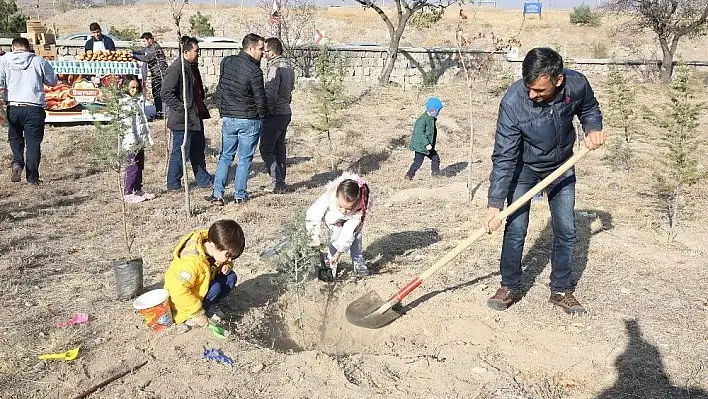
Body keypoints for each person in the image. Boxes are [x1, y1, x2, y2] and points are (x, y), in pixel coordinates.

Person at [484, 48, 607, 315]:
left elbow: (589, 109)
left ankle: (561, 289)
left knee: (566, 229)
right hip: (523, 169)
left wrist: (593, 127)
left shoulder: (577, 84)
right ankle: (509, 285)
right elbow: (504, 156)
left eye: (539, 90)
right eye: (529, 88)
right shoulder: (513, 103)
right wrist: (495, 203)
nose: (532, 95)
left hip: (562, 165)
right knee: (515, 227)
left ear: (558, 80)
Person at [207, 33, 267, 206]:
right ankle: (239, 195)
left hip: (229, 118)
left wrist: (222, 111)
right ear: (250, 48)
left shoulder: (227, 62)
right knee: (244, 159)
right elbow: (260, 99)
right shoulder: (255, 71)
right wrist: (263, 118)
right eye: (260, 49)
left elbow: (221, 89)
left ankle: (217, 194)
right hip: (249, 119)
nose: (263, 53)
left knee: (225, 156)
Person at [164, 219, 245, 326]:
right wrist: (198, 313)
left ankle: (211, 304)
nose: (230, 260)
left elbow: (222, 261)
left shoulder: (215, 243)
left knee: (230, 277)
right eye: (228, 256)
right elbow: (179, 292)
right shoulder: (190, 263)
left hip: (203, 283)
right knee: (215, 287)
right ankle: (193, 315)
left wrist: (227, 265)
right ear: (213, 245)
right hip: (184, 302)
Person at [0, 37, 58, 185]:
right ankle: (32, 178)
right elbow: (52, 81)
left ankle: (17, 163)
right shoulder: (39, 61)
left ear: (13, 47)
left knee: (15, 138)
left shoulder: (4, 60)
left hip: (13, 106)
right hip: (34, 107)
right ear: (28, 47)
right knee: (33, 143)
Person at [161, 35, 212, 191]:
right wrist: (183, 108)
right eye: (196, 51)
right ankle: (174, 184)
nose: (198, 54)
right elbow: (166, 93)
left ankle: (203, 180)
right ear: (186, 52)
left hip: (195, 117)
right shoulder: (177, 69)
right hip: (182, 120)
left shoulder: (192, 66)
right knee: (180, 153)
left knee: (198, 150)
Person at [305, 172, 371, 278]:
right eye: (340, 206)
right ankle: (331, 263)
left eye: (348, 208)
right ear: (336, 195)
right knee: (335, 235)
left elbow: (348, 233)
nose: (344, 211)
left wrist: (338, 254)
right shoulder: (329, 196)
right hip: (333, 220)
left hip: (353, 220)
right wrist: (314, 237)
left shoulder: (360, 207)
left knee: (356, 236)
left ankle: (357, 260)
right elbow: (313, 215)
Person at [258, 37, 295, 194]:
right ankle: (281, 181)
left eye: (265, 51)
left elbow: (271, 94)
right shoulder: (289, 65)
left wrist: (265, 113)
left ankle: (276, 182)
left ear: (272, 52)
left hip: (275, 114)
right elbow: (291, 89)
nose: (264, 54)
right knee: (279, 147)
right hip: (286, 112)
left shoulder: (275, 68)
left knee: (266, 148)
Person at [121, 75, 155, 203]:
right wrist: (133, 142)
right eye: (132, 88)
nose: (134, 90)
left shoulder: (137, 101)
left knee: (140, 166)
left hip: (139, 140)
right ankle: (128, 192)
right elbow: (128, 125)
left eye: (136, 87)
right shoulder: (125, 104)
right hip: (131, 141)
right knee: (132, 166)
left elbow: (141, 123)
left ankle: (137, 189)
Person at [405, 97, 443, 180]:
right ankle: (409, 176)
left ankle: (435, 174)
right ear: (433, 110)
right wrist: (426, 144)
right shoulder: (422, 120)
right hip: (421, 147)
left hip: (428, 146)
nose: (439, 113)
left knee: (436, 158)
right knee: (417, 163)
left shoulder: (431, 119)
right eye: (438, 111)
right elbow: (420, 133)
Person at [132, 32, 169, 119]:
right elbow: (142, 51)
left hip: (160, 74)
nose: (143, 44)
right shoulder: (149, 48)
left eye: (144, 41)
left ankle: (161, 113)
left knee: (160, 95)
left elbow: (146, 58)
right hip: (155, 74)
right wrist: (133, 51)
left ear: (150, 40)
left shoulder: (155, 48)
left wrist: (133, 56)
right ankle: (159, 113)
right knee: (156, 94)